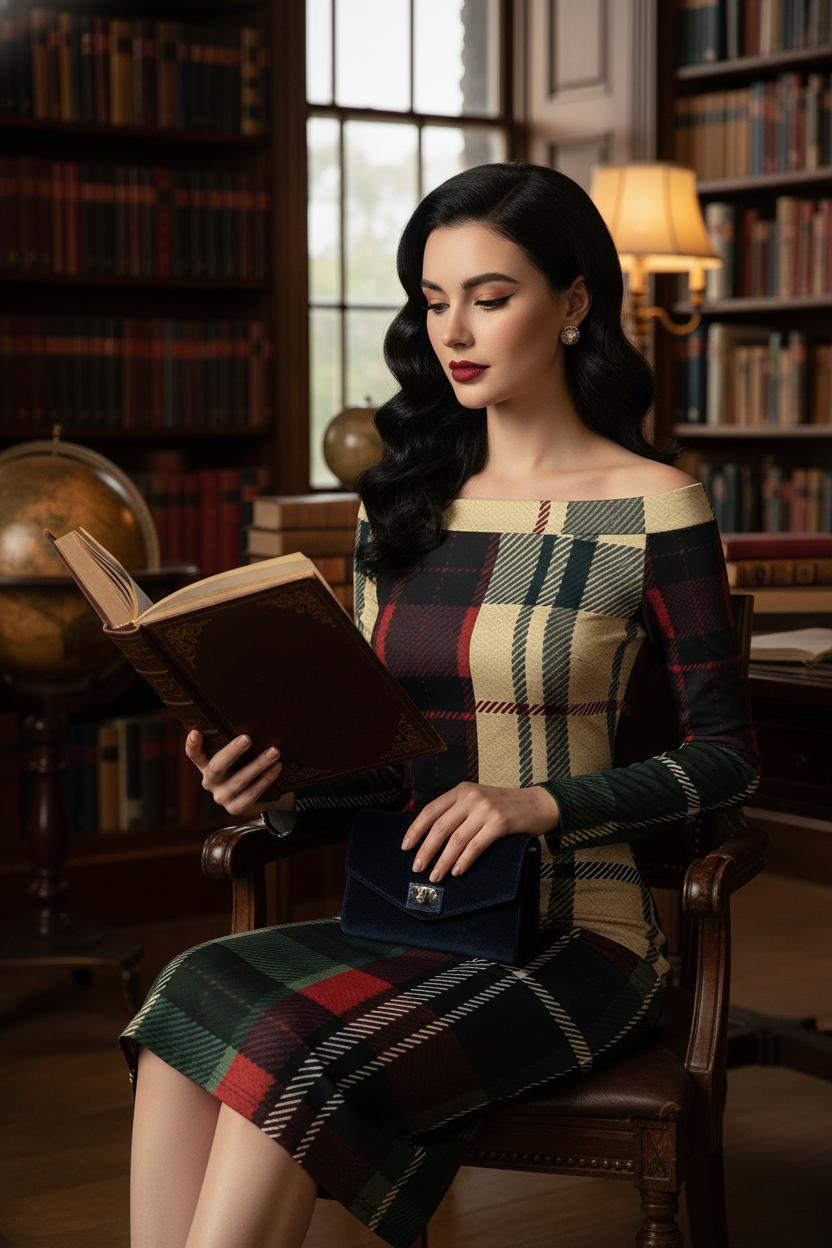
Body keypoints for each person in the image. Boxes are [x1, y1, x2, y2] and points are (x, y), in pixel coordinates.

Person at [118, 160, 762, 1248]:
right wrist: (277, 792)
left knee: (291, 1050)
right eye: (433, 300)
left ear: (572, 302)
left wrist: (537, 805)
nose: (453, 331)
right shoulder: (403, 508)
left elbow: (727, 760)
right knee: (189, 992)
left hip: (576, 935)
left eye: (489, 297)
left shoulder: (655, 506)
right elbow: (390, 762)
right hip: (413, 911)